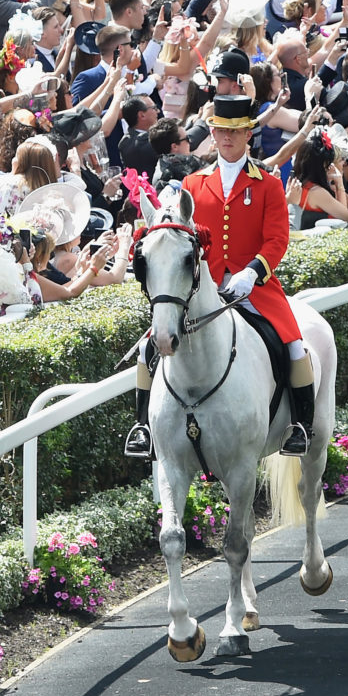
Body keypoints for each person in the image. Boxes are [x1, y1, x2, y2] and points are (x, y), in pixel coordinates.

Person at [125, 95, 314, 460]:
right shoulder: (193, 184)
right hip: (203, 287)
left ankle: (300, 426)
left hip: (254, 287)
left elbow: (277, 239)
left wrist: (253, 272)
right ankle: (143, 429)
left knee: (294, 346)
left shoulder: (268, 184)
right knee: (150, 346)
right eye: (221, 131)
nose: (227, 138)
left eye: (235, 131)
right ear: (212, 132)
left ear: (248, 134)